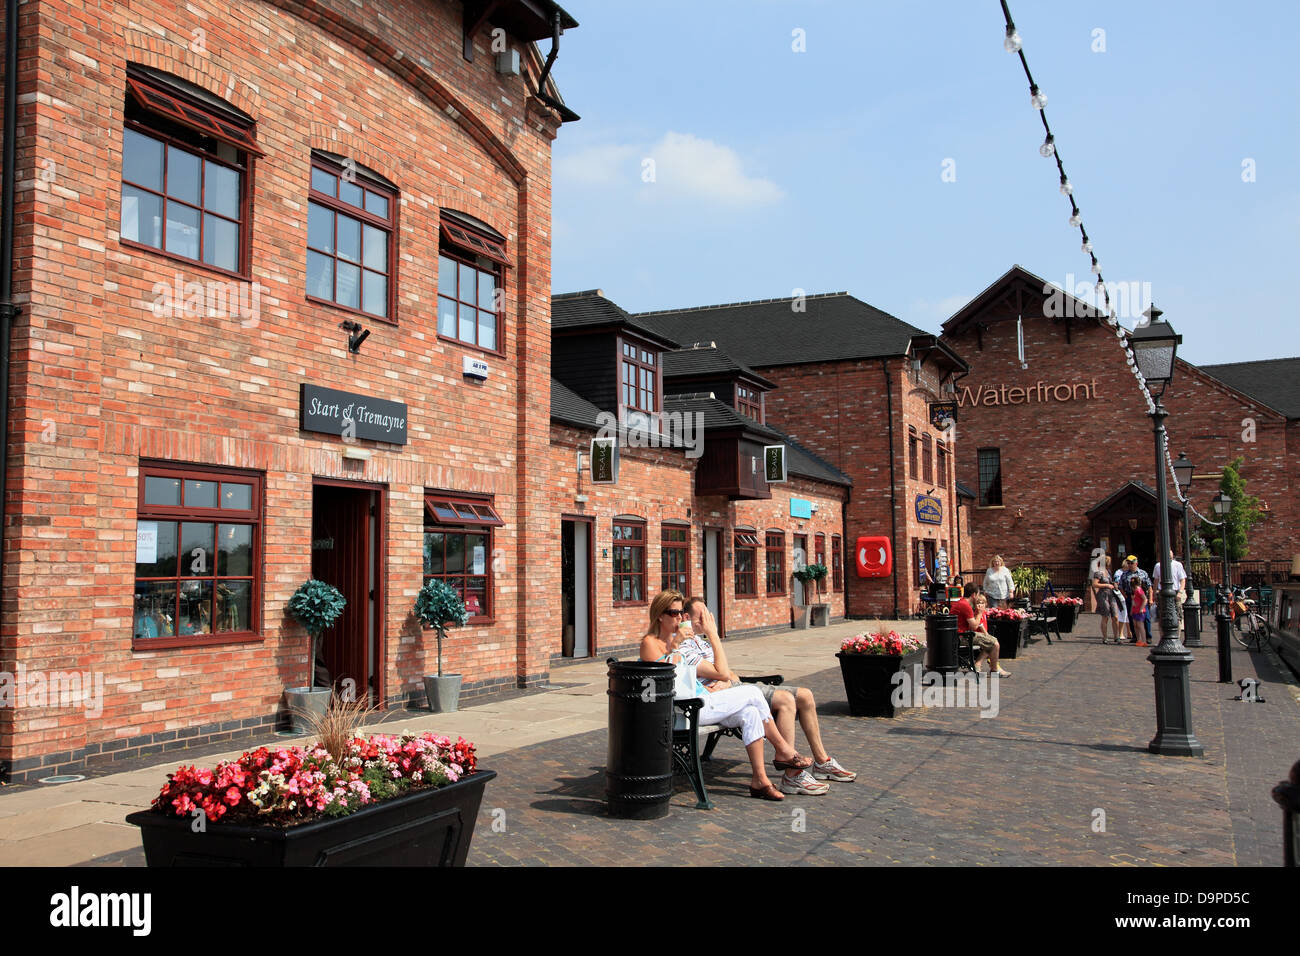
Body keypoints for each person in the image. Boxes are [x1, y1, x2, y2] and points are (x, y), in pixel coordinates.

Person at [639, 590, 813, 801]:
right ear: (660, 615)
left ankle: (760, 780)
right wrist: (676, 644)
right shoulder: (650, 642)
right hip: (685, 709)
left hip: (699, 701)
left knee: (749, 713)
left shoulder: (680, 640)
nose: (679, 617)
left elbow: (715, 672)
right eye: (674, 613)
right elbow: (664, 677)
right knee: (750, 692)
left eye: (680, 613)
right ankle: (783, 750)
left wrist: (687, 642)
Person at [679, 597, 854, 790]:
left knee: (806, 695)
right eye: (702, 616)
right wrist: (714, 637)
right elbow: (716, 673)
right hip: (725, 695)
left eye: (708, 614)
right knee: (786, 700)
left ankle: (822, 762)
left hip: (735, 685)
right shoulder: (684, 645)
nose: (708, 620)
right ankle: (791, 773)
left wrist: (728, 677)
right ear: (687, 617)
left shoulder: (702, 643)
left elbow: (727, 672)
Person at [1152, 557, 1188, 635]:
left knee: (1177, 616)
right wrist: (1154, 593)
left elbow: (1183, 580)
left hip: (1175, 592)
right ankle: (1162, 638)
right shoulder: (1158, 565)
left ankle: (1177, 637)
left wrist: (1180, 592)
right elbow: (1156, 580)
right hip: (1162, 592)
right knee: (1161, 616)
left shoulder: (1178, 565)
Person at [1092, 555, 1122, 644]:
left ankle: (1116, 637)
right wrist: (1107, 585)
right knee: (1105, 616)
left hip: (1111, 594)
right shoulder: (1098, 572)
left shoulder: (1108, 571)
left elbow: (1109, 582)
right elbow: (1095, 584)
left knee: (1115, 616)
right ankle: (1105, 637)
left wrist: (1114, 584)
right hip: (1103, 594)